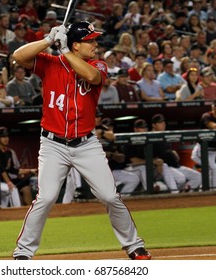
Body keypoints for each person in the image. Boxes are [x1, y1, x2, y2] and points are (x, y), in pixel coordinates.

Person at [12, 21, 151, 260]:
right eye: (91, 41)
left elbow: (92, 76)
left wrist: (64, 50)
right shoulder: (50, 64)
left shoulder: (98, 64)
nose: (96, 45)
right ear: (77, 44)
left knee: (109, 196)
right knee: (45, 198)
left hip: (86, 144)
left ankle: (133, 245)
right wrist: (47, 40)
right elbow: (17, 56)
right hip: (53, 144)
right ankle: (23, 252)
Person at [124, 118, 179, 194]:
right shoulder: (130, 141)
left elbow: (156, 157)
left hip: (149, 167)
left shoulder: (150, 141)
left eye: (145, 128)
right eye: (141, 128)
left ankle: (175, 192)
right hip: (131, 169)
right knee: (143, 168)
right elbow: (134, 161)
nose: (144, 130)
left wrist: (159, 162)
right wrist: (152, 162)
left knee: (165, 165)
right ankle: (150, 193)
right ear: (135, 129)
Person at [151, 114, 201, 192]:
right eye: (160, 122)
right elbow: (151, 157)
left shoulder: (165, 135)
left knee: (198, 176)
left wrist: (173, 152)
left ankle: (185, 194)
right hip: (163, 168)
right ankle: (175, 194)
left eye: (163, 122)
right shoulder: (151, 138)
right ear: (153, 125)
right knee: (181, 179)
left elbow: (167, 151)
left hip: (175, 166)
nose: (163, 124)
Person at [0, 127, 37, 207]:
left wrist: (29, 171)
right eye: (3, 137)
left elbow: (13, 170)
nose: (6, 139)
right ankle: (17, 211)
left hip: (4, 182)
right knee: (13, 190)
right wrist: (9, 183)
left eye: (7, 136)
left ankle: (19, 212)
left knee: (11, 194)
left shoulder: (8, 152)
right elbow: (2, 170)